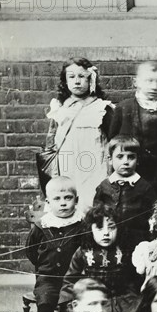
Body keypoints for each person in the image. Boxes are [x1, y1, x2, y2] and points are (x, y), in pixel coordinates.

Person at [25, 176, 84, 312]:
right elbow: (31, 251)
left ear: (76, 199)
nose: (63, 203)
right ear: (48, 203)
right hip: (48, 279)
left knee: (76, 307)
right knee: (45, 302)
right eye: (57, 199)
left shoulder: (81, 225)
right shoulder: (42, 226)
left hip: (74, 278)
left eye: (68, 197)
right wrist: (43, 268)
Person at [45, 58, 114, 211]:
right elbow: (50, 145)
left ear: (91, 79)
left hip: (95, 168)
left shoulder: (101, 109)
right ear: (65, 81)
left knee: (93, 207)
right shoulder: (59, 109)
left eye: (82, 76)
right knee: (69, 206)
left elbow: (113, 142)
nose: (77, 81)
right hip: (67, 168)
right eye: (72, 77)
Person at [60, 204, 143, 312]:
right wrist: (69, 307)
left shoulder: (125, 252)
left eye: (111, 228)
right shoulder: (83, 251)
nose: (106, 233)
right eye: (99, 228)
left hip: (120, 301)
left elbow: (133, 280)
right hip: (92, 299)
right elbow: (70, 280)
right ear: (90, 230)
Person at [109, 61, 157, 193]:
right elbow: (112, 141)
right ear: (136, 82)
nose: (154, 87)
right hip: (130, 170)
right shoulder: (124, 107)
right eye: (149, 81)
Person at [94, 135, 157, 236]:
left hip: (137, 238)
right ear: (110, 159)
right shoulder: (104, 186)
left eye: (131, 157)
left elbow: (152, 215)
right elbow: (96, 214)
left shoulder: (145, 188)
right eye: (120, 157)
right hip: (110, 237)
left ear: (138, 160)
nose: (125, 162)